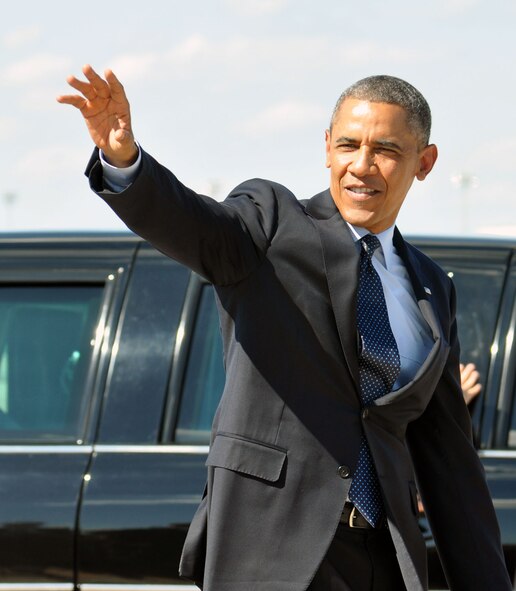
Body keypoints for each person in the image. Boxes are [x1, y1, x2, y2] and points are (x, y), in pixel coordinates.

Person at [57, 66, 511, 591]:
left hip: (383, 557)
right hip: (271, 553)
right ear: (326, 148)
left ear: (424, 162)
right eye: (347, 145)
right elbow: (194, 225)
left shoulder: (431, 287)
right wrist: (125, 162)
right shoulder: (273, 223)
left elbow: (451, 461)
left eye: (385, 150)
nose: (361, 166)